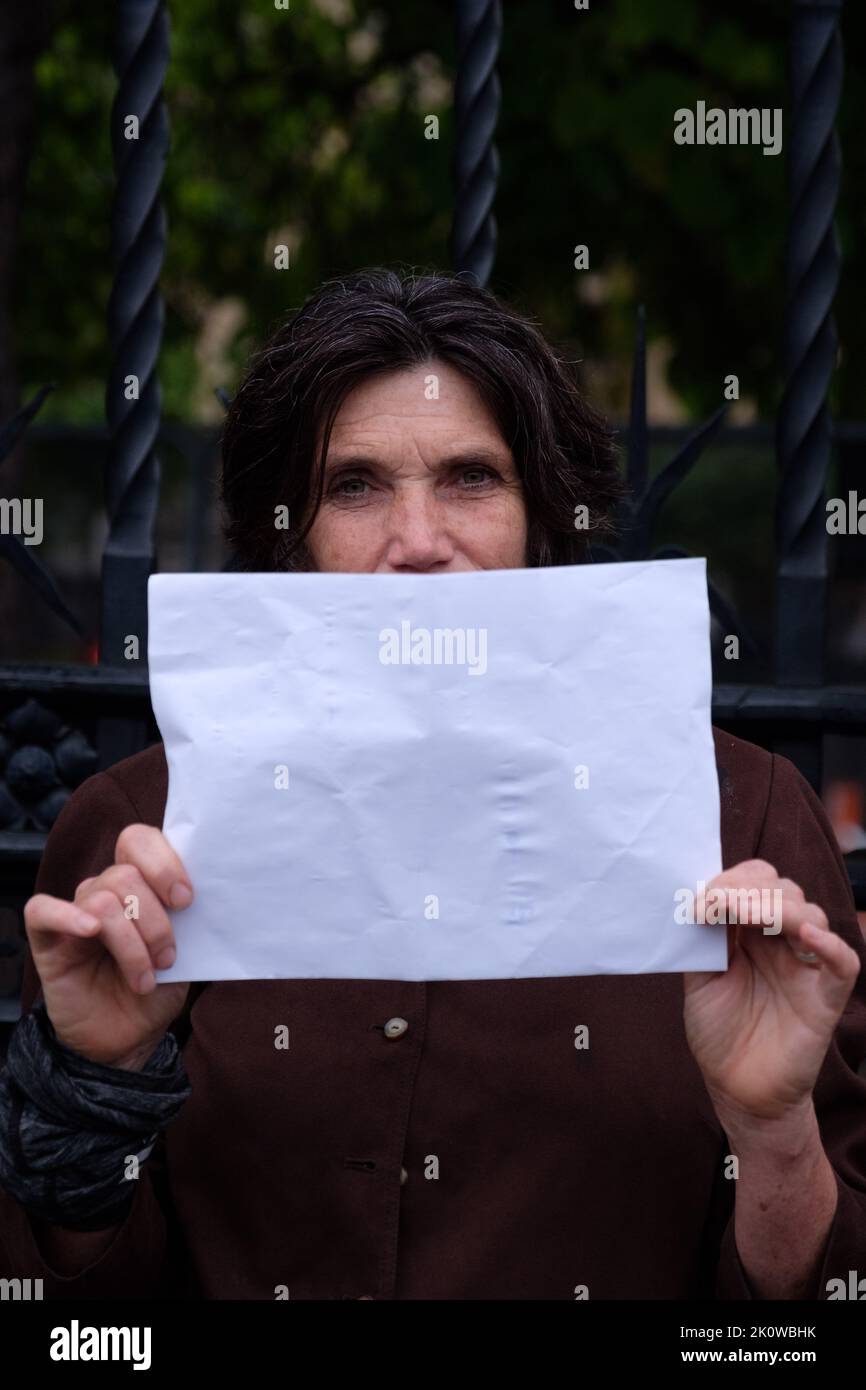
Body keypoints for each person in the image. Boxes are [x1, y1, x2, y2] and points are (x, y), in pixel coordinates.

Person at [1, 268, 865, 1301]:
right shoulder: (143, 829)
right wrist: (91, 1093)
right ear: (290, 537)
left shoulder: (738, 820)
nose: (416, 545)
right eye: (354, 485)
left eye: (470, 477)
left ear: (542, 519)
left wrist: (771, 1134)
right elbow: (76, 1324)